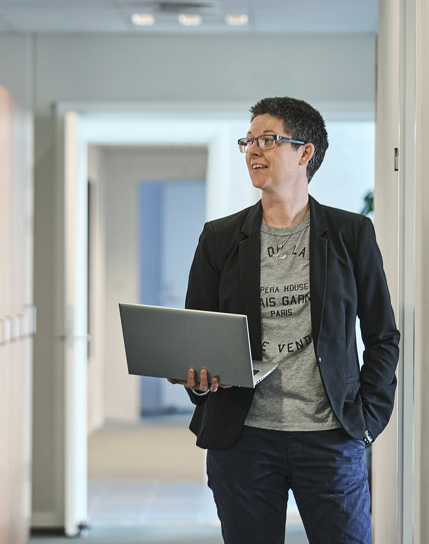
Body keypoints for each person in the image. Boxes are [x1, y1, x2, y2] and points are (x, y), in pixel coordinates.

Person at [170, 97, 400, 543]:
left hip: (331, 437)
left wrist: (368, 418)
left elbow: (382, 334)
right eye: (249, 141)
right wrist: (197, 380)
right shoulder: (220, 238)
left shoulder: (352, 234)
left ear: (306, 152)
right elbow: (196, 337)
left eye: (268, 140)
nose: (254, 150)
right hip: (243, 440)